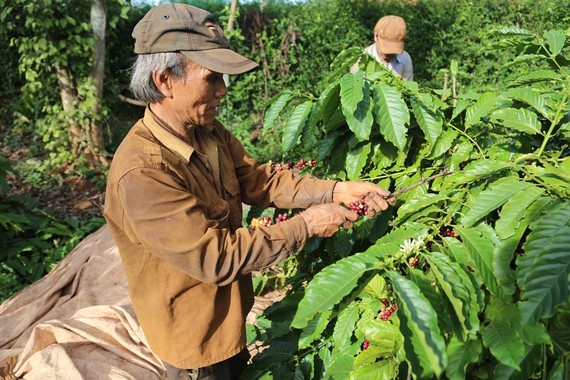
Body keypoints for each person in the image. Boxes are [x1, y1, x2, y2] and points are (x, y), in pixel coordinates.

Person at [104, 3, 396, 379]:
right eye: (212, 78)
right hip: (195, 340)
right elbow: (215, 258)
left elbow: (260, 180)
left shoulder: (207, 131)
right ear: (164, 80)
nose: (223, 91)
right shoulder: (143, 172)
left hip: (232, 316)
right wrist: (305, 225)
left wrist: (336, 190)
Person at [350, 15, 413, 81]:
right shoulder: (361, 60)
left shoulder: (405, 59)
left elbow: (408, 87)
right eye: (387, 46)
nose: (390, 53)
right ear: (376, 37)